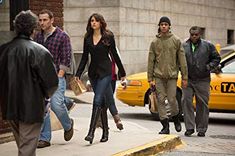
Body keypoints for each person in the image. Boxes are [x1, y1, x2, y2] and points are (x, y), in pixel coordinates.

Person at [0, 10, 58, 156]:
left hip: (10, 105)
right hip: (31, 107)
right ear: (33, 29)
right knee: (26, 148)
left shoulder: (3, 50)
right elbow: (51, 83)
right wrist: (45, 97)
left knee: (24, 145)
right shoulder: (40, 52)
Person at [75, 13, 126, 144]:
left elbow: (114, 54)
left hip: (106, 72)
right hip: (93, 73)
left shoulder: (108, 36)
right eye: (92, 21)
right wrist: (78, 74)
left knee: (97, 98)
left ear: (101, 23)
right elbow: (85, 58)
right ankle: (105, 132)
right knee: (102, 104)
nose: (93, 23)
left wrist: (122, 72)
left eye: (96, 21)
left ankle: (90, 132)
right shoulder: (87, 38)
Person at [34, 9, 74, 148]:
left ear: (52, 20)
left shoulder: (62, 36)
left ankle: (68, 125)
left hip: (56, 76)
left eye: (45, 20)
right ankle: (45, 138)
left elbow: (66, 58)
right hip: (41, 79)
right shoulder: (38, 37)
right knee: (44, 107)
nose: (42, 23)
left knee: (56, 105)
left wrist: (60, 75)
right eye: (40, 20)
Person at [147, 16, 188, 134]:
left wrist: (185, 76)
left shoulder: (176, 40)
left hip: (172, 77)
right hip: (159, 76)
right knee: (160, 100)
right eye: (162, 24)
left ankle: (176, 119)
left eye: (166, 24)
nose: (164, 26)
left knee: (172, 99)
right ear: (159, 26)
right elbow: (151, 60)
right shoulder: (154, 42)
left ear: (169, 26)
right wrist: (150, 78)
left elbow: (182, 60)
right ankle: (165, 126)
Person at [182, 26, 221, 137]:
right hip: (188, 79)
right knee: (186, 101)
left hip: (203, 79)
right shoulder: (184, 46)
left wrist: (209, 67)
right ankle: (189, 128)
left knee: (202, 104)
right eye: (192, 35)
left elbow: (217, 58)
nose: (194, 37)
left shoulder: (208, 45)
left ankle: (201, 129)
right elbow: (179, 61)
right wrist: (182, 73)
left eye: (196, 35)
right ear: (190, 34)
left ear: (200, 35)